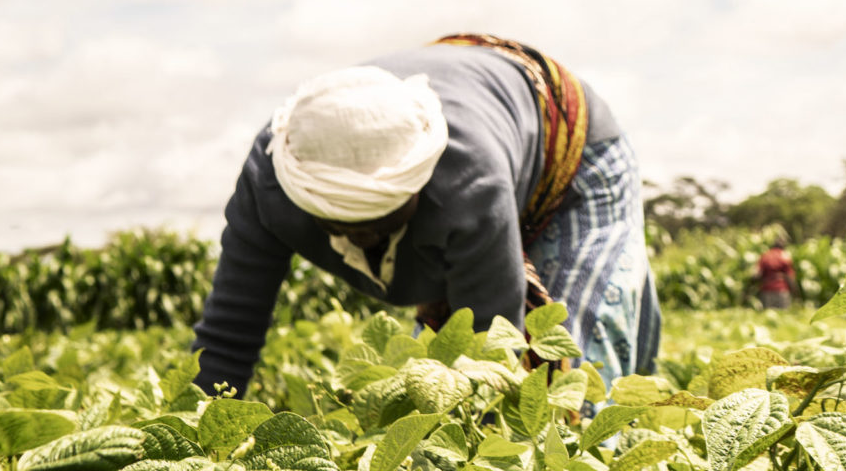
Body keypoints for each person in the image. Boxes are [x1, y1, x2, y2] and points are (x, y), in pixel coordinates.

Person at [191, 34, 662, 397]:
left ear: (419, 184)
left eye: (384, 215)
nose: (365, 238)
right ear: (307, 203)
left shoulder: (464, 181)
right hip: (480, 144)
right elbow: (230, 333)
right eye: (342, 222)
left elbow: (489, 351)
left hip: (569, 150)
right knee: (429, 398)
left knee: (571, 387)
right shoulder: (271, 181)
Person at [755, 238, 799, 309]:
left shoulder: (765, 256)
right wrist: (795, 291)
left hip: (766, 290)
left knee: (768, 316)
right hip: (781, 291)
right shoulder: (784, 256)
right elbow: (789, 277)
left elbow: (756, 274)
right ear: (783, 247)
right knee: (783, 316)